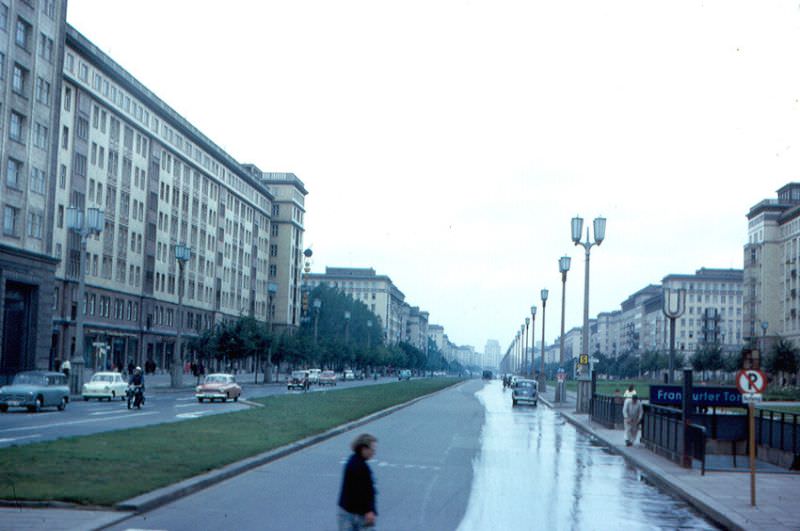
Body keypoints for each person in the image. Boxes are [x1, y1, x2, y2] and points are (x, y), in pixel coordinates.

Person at [338, 433, 378, 530]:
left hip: (346, 510)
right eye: (372, 450)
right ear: (364, 449)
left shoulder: (353, 461)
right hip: (356, 514)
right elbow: (363, 491)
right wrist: (369, 510)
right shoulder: (360, 467)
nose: (374, 453)